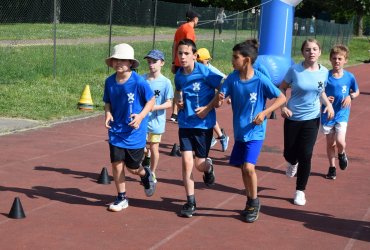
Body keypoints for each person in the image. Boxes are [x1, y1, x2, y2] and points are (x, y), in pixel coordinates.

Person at [217, 41, 286, 223]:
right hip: (240, 131)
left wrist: (265, 112)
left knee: (249, 167)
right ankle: (249, 200)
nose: (232, 60)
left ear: (246, 60)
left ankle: (254, 202)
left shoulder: (260, 79)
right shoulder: (232, 78)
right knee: (243, 168)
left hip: (256, 132)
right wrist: (220, 99)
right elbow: (219, 100)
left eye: (235, 57)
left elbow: (281, 97)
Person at [279, 38, 334, 206]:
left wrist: (329, 105)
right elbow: (281, 88)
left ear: (319, 52)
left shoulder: (324, 71)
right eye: (308, 49)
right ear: (303, 52)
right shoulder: (294, 70)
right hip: (293, 117)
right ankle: (292, 162)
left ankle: (300, 191)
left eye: (315, 49)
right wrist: (282, 107)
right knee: (289, 153)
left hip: (312, 118)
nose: (311, 52)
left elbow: (321, 91)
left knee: (306, 154)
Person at [103, 43, 156, 212]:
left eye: (123, 60)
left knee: (133, 168)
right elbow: (108, 102)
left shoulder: (139, 82)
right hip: (116, 130)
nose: (119, 63)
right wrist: (108, 113)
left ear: (131, 63)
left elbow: (151, 101)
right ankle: (122, 198)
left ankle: (145, 174)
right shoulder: (109, 82)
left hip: (135, 132)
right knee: (117, 163)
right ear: (111, 62)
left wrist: (140, 117)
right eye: (116, 60)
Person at [174, 39, 224, 218]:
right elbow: (178, 90)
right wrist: (178, 101)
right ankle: (190, 201)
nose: (182, 57)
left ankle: (208, 168)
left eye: (186, 53)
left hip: (204, 125)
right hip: (185, 123)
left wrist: (208, 107)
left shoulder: (205, 72)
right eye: (180, 53)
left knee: (199, 164)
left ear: (195, 56)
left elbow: (223, 88)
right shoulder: (179, 75)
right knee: (186, 163)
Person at [321, 44, 360, 180]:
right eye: (334, 58)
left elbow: (356, 91)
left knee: (340, 141)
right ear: (330, 60)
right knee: (330, 143)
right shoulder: (326, 76)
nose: (337, 61)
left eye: (340, 58)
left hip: (342, 113)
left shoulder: (349, 77)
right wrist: (326, 99)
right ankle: (332, 168)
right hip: (327, 114)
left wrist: (351, 96)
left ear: (345, 60)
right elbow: (320, 92)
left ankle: (342, 153)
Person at [141, 49, 174, 181]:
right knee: (141, 147)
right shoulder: (142, 79)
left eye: (154, 61)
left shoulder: (165, 82)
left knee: (154, 147)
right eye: (149, 62)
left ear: (162, 63)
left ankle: (152, 172)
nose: (151, 64)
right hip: (142, 120)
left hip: (156, 122)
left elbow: (169, 103)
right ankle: (146, 156)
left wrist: (154, 107)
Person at [196, 47, 230, 152]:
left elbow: (225, 80)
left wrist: (228, 97)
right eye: (197, 61)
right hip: (200, 95)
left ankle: (214, 137)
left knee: (206, 115)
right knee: (205, 116)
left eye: (201, 61)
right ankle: (220, 137)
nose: (199, 63)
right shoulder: (196, 68)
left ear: (207, 60)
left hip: (212, 96)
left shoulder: (212, 71)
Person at [170, 9, 200, 123]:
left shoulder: (179, 29)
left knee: (178, 87)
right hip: (186, 63)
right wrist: (193, 60)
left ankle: (174, 113)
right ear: (195, 19)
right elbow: (189, 47)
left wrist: (174, 61)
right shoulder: (189, 30)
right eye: (197, 18)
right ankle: (185, 111)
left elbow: (174, 46)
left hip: (178, 61)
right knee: (187, 87)